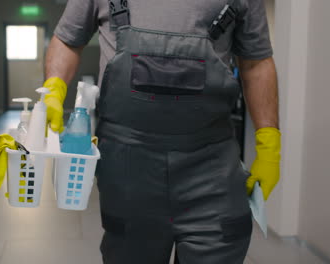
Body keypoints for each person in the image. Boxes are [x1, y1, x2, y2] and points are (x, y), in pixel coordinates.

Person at [43, 0, 281, 263]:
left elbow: (256, 63)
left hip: (212, 169)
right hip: (128, 170)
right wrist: (54, 87)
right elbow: (67, 39)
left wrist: (269, 142)